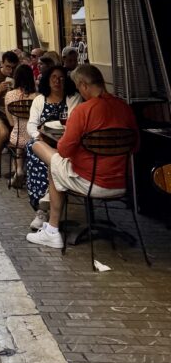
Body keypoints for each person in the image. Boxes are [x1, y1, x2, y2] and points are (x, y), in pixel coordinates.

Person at [26, 64, 138, 249]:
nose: (79, 91)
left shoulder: (83, 110)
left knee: (44, 153)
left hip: (91, 181)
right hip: (122, 183)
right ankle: (48, 216)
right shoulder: (124, 107)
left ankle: (52, 230)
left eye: (78, 87)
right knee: (54, 161)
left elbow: (63, 150)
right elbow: (136, 145)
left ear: (84, 85)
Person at [25, 65, 80, 229]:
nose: (57, 81)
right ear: (47, 80)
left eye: (61, 78)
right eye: (54, 77)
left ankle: (47, 200)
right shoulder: (39, 100)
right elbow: (31, 124)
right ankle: (41, 209)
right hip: (44, 140)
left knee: (52, 158)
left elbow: (73, 123)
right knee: (32, 148)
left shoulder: (73, 98)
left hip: (65, 142)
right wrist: (37, 135)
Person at [4, 64, 39, 187]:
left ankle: (18, 170)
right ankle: (28, 172)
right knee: (26, 134)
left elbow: (11, 122)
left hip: (17, 137)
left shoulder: (9, 95)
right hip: (34, 138)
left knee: (19, 135)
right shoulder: (37, 97)